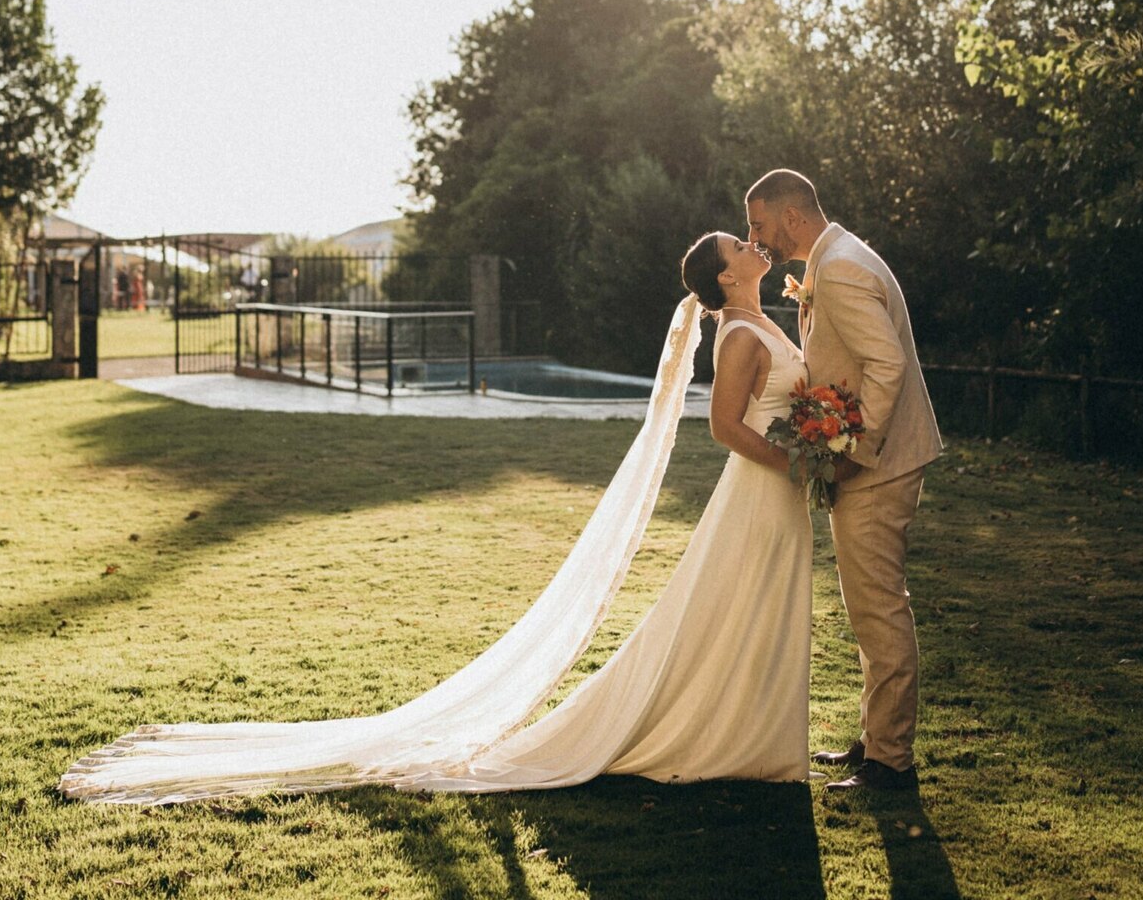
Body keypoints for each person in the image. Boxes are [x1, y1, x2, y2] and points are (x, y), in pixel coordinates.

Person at [58, 234, 812, 804]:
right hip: (763, 487)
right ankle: (725, 733)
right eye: (739, 244)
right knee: (731, 603)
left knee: (751, 607)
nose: (753, 246)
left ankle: (750, 730)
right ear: (725, 275)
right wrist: (800, 461)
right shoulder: (740, 334)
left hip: (779, 488)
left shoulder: (763, 320)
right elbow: (721, 428)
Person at [745, 168, 942, 792]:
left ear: (792, 218)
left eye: (759, 224)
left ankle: (891, 764)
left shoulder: (844, 268)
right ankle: (874, 738)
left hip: (880, 465)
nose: (756, 237)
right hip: (868, 458)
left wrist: (856, 452)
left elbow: (887, 364)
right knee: (865, 606)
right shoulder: (835, 259)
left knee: (879, 607)